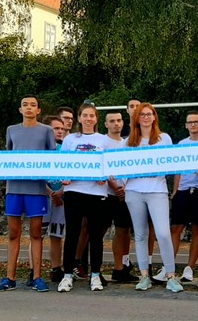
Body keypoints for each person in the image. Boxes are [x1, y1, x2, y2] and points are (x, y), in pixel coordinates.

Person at [0, 95, 57, 292]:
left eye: (33, 105)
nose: (29, 108)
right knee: (13, 233)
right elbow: (9, 156)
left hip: (36, 189)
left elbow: (52, 158)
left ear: (38, 110)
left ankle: (36, 277)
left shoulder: (46, 131)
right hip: (14, 188)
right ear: (20, 109)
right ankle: (9, 278)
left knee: (36, 233)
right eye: (25, 105)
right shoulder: (11, 130)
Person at [123, 103, 183, 293]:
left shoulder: (164, 138)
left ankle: (171, 276)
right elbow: (120, 167)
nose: (146, 117)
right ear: (137, 118)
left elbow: (173, 162)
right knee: (141, 234)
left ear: (155, 117)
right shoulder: (128, 142)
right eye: (142, 114)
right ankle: (144, 276)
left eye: (149, 114)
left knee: (163, 233)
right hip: (134, 191)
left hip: (157, 191)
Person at [56, 103, 111, 293]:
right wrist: (64, 177)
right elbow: (62, 163)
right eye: (85, 115)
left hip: (97, 193)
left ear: (96, 119)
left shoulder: (104, 140)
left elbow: (109, 164)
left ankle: (95, 274)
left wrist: (105, 175)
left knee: (96, 236)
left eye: (92, 116)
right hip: (74, 192)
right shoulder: (70, 139)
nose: (88, 119)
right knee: (72, 234)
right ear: (79, 118)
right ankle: (67, 275)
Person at [158, 110, 198, 283]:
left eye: (196, 121)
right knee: (176, 229)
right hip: (183, 191)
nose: (193, 124)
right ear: (186, 125)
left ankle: (190, 268)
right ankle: (168, 267)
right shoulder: (182, 144)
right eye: (190, 122)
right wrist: (175, 190)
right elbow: (177, 170)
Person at [104, 111, 138, 283]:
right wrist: (114, 186)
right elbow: (102, 167)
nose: (116, 123)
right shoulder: (103, 142)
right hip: (106, 193)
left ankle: (121, 267)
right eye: (112, 121)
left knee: (123, 230)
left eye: (118, 120)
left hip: (125, 193)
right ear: (106, 124)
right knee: (97, 231)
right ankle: (83, 266)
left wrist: (126, 188)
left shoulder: (128, 143)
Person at [41, 114, 66, 283]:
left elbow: (71, 172)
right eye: (56, 128)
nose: (60, 131)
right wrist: (49, 191)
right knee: (38, 234)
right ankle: (34, 270)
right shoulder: (38, 150)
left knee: (57, 234)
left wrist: (61, 192)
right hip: (43, 196)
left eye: (61, 129)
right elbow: (34, 173)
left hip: (61, 198)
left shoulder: (65, 150)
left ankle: (56, 268)